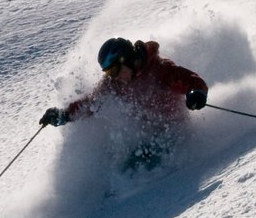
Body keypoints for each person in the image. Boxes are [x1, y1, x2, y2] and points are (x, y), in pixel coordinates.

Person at [40, 37, 208, 170]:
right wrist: (64, 115)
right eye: (108, 73)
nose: (112, 77)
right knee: (125, 166)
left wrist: (196, 93)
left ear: (125, 60)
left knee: (142, 165)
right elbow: (91, 103)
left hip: (174, 134)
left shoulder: (159, 69)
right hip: (148, 140)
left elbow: (190, 80)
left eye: (114, 71)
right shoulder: (114, 84)